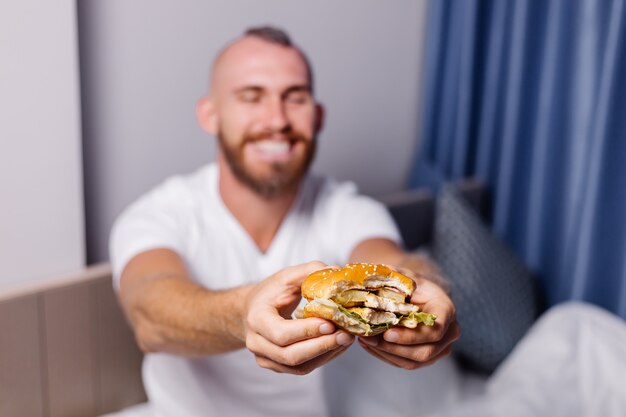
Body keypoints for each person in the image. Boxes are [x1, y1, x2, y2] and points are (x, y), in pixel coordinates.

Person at [110, 26, 460, 417]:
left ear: (318, 116)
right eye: (251, 97)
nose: (276, 120)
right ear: (211, 114)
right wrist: (242, 314)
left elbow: (395, 261)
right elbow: (150, 312)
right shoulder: (158, 214)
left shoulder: (346, 207)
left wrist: (429, 293)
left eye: (295, 98)